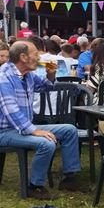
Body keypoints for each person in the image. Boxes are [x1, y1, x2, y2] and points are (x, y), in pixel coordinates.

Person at [0, 41, 82, 199]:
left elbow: (47, 87)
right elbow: (11, 111)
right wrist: (35, 131)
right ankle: (34, 186)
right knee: (46, 142)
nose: (39, 57)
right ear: (23, 57)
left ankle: (69, 179)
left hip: (22, 128)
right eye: (36, 54)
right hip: (5, 131)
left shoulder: (28, 74)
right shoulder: (4, 76)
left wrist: (51, 73)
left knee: (69, 130)